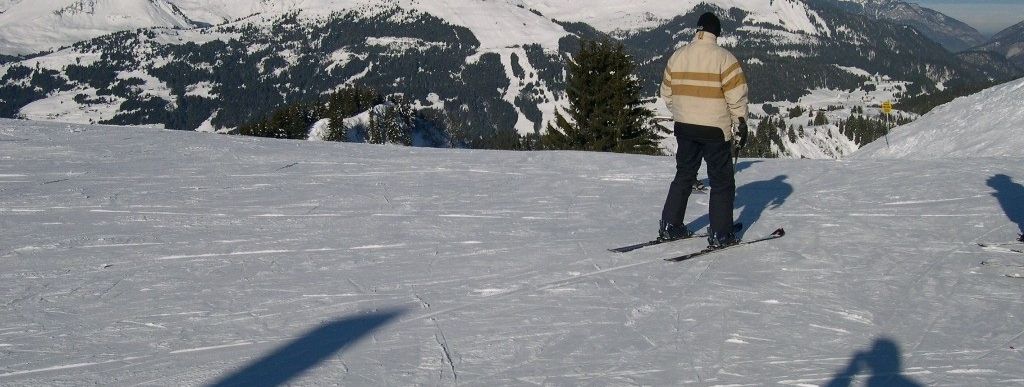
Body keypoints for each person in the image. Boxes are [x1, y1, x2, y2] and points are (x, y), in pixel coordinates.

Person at [658, 12, 749, 248]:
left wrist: (682, 112)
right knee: (721, 181)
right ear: (716, 33)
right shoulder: (725, 59)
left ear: (697, 31)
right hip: (715, 130)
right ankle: (721, 232)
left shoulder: (677, 57)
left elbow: (667, 94)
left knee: (684, 174)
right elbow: (736, 98)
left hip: (684, 127)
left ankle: (670, 224)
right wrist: (740, 124)